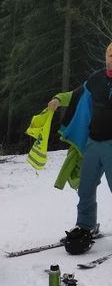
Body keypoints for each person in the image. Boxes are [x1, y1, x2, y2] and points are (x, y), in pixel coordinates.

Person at [47, 42, 112, 254]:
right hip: (93, 143)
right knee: (85, 188)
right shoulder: (96, 79)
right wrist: (58, 99)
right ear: (106, 57)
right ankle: (86, 226)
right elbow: (74, 95)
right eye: (110, 55)